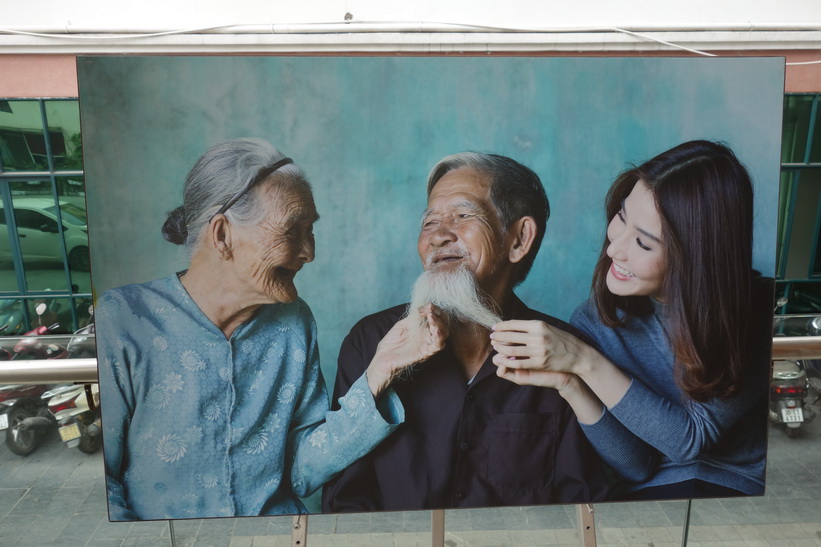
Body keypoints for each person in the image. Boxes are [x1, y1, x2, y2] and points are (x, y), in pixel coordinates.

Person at [96, 138, 447, 520]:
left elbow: (300, 471)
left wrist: (377, 375)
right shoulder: (124, 319)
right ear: (222, 235)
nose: (309, 252)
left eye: (310, 230)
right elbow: (102, 480)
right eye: (292, 230)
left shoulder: (293, 323)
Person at [322, 152, 609, 512]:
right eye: (429, 222)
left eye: (462, 216)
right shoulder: (372, 342)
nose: (438, 236)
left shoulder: (563, 352)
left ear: (519, 239)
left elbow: (581, 506)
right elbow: (345, 502)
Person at [490, 140, 771, 500]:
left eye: (643, 243)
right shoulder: (597, 320)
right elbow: (637, 467)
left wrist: (584, 360)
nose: (614, 249)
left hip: (736, 492)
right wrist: (570, 384)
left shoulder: (758, 312)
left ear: (697, 257)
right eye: (621, 218)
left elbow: (689, 442)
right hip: (647, 499)